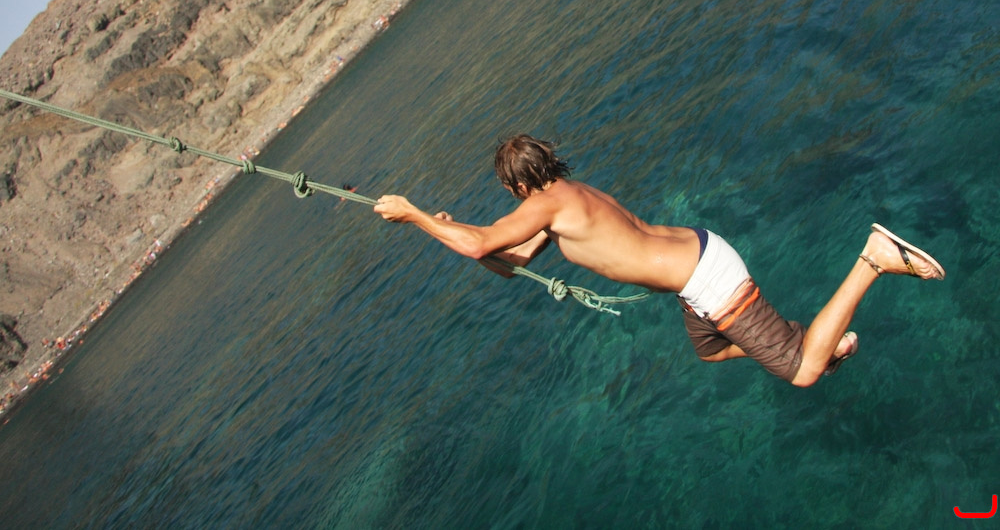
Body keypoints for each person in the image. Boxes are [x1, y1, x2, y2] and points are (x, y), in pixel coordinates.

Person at [374, 135, 945, 387]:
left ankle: (873, 260)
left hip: (709, 281)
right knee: (712, 351)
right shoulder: (570, 198)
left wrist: (415, 214)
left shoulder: (545, 205)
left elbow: (481, 243)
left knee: (802, 373)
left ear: (515, 186)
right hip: (700, 262)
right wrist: (444, 229)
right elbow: (505, 260)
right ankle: (814, 339)